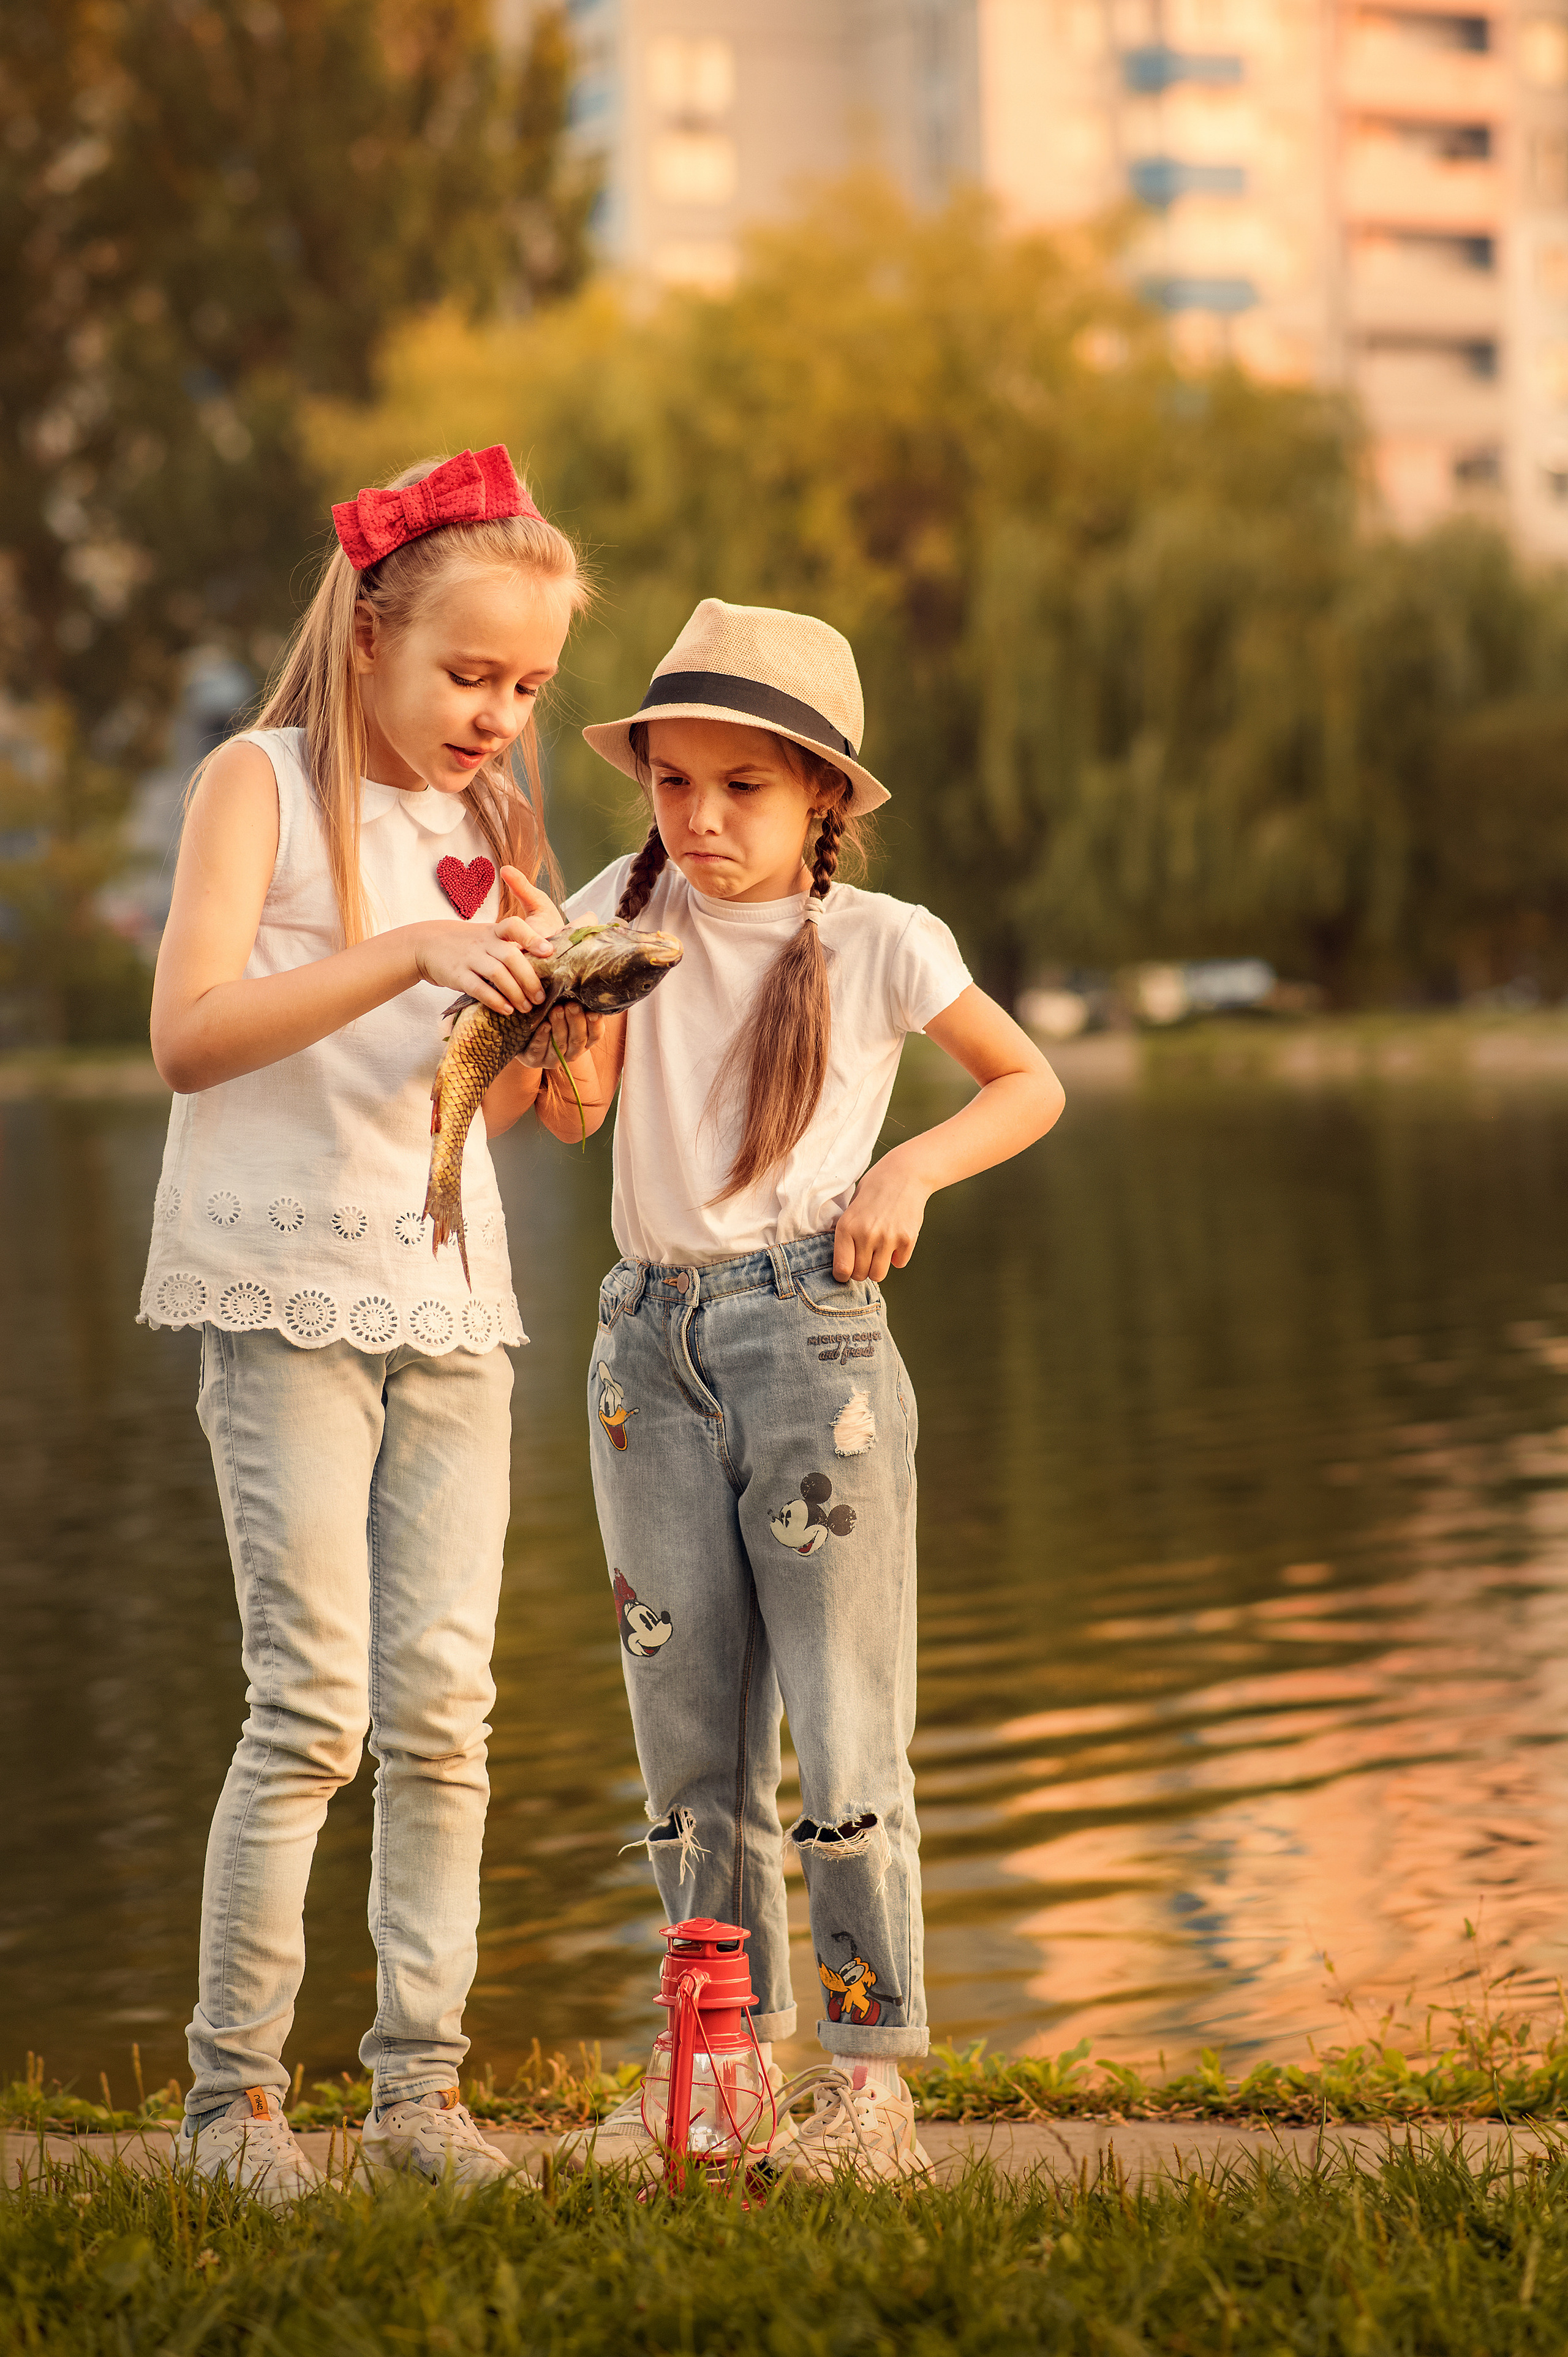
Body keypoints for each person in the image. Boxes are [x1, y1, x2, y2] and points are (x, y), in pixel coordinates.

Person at [549, 599, 1065, 2183]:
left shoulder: (886, 940)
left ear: (822, 796)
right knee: (687, 1736)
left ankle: (869, 2088)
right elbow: (574, 1114)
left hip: (812, 1347)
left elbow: (1028, 1082)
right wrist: (556, 1033)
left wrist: (909, 1169)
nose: (699, 818)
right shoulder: (616, 909)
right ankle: (721, 2068)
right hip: (643, 1351)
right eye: (673, 782)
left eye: (742, 787)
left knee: (845, 1732)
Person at [141, 446, 600, 2202]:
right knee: (312, 1704)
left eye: (530, 688)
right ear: (367, 643)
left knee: (447, 1713)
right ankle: (234, 2109)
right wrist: (409, 952)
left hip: (450, 1301)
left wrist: (556, 1034)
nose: (500, 717)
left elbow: (480, 1116)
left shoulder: (499, 836)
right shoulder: (254, 784)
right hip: (279, 1291)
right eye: (472, 675)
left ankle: (419, 2099)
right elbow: (189, 1038)